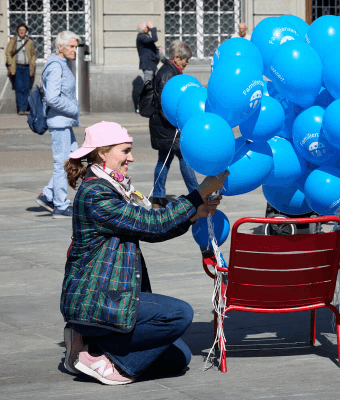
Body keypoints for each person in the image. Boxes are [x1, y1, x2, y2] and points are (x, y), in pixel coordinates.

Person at [60, 120, 228, 385]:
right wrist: (199, 193)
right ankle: (104, 364)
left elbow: (154, 230)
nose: (132, 157)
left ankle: (92, 344)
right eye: (125, 150)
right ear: (102, 152)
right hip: (94, 299)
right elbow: (153, 223)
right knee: (179, 315)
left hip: (109, 295)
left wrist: (193, 215)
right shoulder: (95, 194)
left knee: (178, 357)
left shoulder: (111, 187)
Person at [35, 31, 80, 219]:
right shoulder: (56, 66)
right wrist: (73, 108)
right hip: (59, 122)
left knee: (74, 160)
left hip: (64, 121)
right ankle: (60, 205)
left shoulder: (61, 64)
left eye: (76, 47)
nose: (75, 50)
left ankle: (48, 194)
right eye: (71, 46)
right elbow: (52, 97)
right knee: (63, 164)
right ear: (60, 47)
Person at [149, 40, 199, 208]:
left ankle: (157, 196)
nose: (186, 63)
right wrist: (176, 123)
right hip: (168, 126)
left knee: (164, 159)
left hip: (165, 125)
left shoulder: (170, 71)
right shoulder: (168, 74)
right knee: (184, 157)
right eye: (185, 60)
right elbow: (165, 103)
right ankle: (197, 194)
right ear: (176, 57)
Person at [5, 23, 36, 115]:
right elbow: (8, 52)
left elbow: (33, 54)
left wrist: (33, 63)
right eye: (20, 30)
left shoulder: (29, 41)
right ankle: (21, 108)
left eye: (23, 30)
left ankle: (26, 108)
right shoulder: (13, 41)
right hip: (17, 67)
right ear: (18, 31)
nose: (22, 31)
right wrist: (11, 63)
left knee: (26, 88)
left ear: (26, 31)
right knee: (19, 88)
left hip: (27, 67)